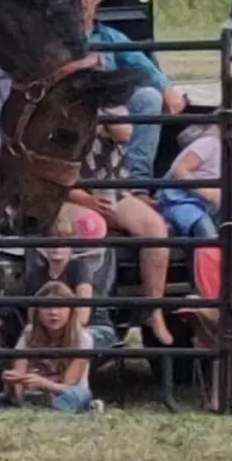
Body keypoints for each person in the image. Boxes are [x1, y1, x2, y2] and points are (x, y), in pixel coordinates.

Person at [66, 106, 175, 344]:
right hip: (67, 192)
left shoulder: (108, 104)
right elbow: (50, 171)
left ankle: (153, 309)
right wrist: (85, 199)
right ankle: (94, 315)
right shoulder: (57, 106)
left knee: (155, 228)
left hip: (111, 187)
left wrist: (100, 108)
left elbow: (125, 133)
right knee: (92, 225)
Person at [72, 0, 187, 179]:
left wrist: (166, 88)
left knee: (150, 98)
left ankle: (137, 178)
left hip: (111, 102)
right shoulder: (60, 39)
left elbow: (139, 61)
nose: (83, 1)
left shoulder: (108, 36)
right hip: (78, 102)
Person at [2, 281, 103, 413]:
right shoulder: (29, 333)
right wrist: (12, 383)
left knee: (80, 395)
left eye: (60, 307)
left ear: (71, 311)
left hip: (65, 393)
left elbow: (70, 383)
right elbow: (19, 372)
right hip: (33, 393)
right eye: (47, 307)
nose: (53, 312)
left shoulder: (82, 338)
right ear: (37, 311)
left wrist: (45, 385)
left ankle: (67, 407)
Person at [24, 209, 118, 351]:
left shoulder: (79, 268)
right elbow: (33, 318)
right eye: (51, 242)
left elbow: (83, 316)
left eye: (63, 242)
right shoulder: (36, 275)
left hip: (93, 329)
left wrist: (58, 337)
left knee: (77, 340)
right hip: (53, 334)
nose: (57, 248)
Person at [159, 125, 232, 239]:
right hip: (185, 200)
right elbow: (179, 169)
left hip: (218, 206)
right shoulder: (208, 143)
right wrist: (205, 191)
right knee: (205, 228)